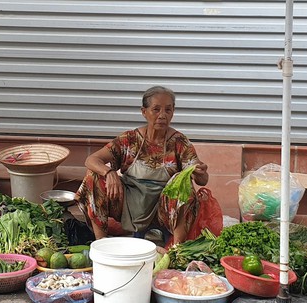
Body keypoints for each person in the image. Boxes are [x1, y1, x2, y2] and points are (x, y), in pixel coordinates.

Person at [74, 85, 209, 246]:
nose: (162, 115)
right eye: (156, 110)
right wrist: (109, 172)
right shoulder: (130, 139)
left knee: (184, 184)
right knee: (93, 177)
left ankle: (176, 250)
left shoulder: (179, 142)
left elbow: (202, 179)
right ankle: (101, 244)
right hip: (129, 203)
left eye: (168, 110)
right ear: (144, 112)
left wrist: (199, 172)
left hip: (163, 207)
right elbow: (91, 159)